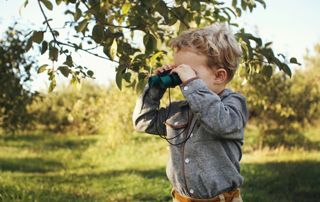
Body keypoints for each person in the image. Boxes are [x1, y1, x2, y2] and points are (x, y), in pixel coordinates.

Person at [132, 22, 249, 202]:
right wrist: (155, 88)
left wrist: (192, 83)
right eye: (177, 70)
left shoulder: (234, 104)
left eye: (187, 71)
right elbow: (143, 121)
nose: (180, 77)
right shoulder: (178, 110)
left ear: (219, 76)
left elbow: (220, 123)